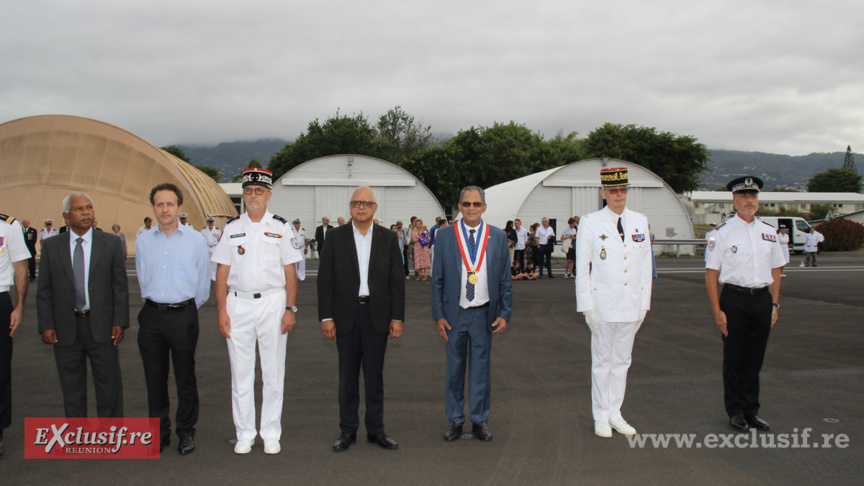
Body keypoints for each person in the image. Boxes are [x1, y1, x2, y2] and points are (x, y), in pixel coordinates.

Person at [212, 168, 302, 455]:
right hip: (237, 303)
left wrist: (290, 308)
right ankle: (245, 432)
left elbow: (290, 271)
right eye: (249, 191)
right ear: (244, 194)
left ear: (269, 195)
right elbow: (222, 271)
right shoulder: (232, 228)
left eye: (259, 191)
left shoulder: (281, 226)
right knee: (240, 371)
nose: (253, 196)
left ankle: (271, 432)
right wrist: (221, 310)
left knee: (273, 370)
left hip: (272, 303)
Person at [318, 187, 404, 452]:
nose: (361, 207)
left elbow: (396, 281)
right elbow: (325, 279)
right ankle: (347, 430)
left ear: (375, 208)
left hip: (376, 315)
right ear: (350, 207)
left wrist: (397, 318)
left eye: (366, 203)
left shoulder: (388, 237)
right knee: (347, 377)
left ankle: (376, 430)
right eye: (356, 203)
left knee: (374, 377)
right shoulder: (335, 237)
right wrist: (327, 317)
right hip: (345, 316)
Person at [37, 192, 128, 418]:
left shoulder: (111, 243)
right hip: (66, 327)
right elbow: (45, 291)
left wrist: (120, 322)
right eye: (79, 209)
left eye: (89, 207)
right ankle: (77, 433)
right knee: (71, 385)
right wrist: (46, 325)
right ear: (66, 216)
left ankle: (110, 433)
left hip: (103, 326)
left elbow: (120, 286)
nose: (86, 212)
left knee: (108, 384)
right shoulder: (51, 246)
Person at [576, 167, 652, 438]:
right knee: (602, 362)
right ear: (603, 193)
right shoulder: (591, 222)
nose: (619, 195)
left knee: (622, 362)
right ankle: (600, 416)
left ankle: (615, 413)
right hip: (603, 305)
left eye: (623, 190)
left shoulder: (639, 221)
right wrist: (587, 307)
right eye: (613, 191)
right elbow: (583, 268)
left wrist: (644, 304)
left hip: (631, 304)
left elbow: (645, 265)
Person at [431, 186, 512, 442]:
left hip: (484, 314)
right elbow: (437, 279)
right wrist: (439, 315)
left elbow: (505, 279)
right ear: (459, 207)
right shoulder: (444, 236)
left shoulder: (497, 236)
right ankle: (455, 420)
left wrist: (505, 312)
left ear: (484, 207)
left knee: (480, 371)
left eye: (476, 204)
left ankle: (479, 420)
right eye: (466, 204)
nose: (471, 209)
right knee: (454, 369)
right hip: (455, 314)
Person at [705, 176, 784, 433]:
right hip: (734, 299)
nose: (750, 201)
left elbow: (775, 270)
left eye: (753, 196)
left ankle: (752, 411)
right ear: (734, 200)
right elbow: (711, 274)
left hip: (762, 299)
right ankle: (736, 410)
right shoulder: (721, 233)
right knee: (735, 358)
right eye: (744, 196)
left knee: (755, 359)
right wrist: (717, 311)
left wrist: (774, 304)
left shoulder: (769, 232)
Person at [135, 183, 210, 455]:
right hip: (152, 316)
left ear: (179, 207)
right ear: (153, 208)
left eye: (169, 204)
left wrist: (187, 308)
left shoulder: (196, 241)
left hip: (183, 315)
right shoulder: (143, 241)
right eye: (159, 204)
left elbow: (202, 284)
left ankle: (186, 432)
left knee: (185, 377)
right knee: (154, 378)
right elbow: (143, 279)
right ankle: (158, 433)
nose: (164, 209)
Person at [1, 213, 30, 457]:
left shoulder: (8, 226)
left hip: (0, 298)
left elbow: (21, 267)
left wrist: (19, 306)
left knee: (0, 368)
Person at [201, 217, 222, 281]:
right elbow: (201, 239)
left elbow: (220, 239)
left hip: (214, 247)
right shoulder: (203, 231)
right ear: (207, 223)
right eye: (209, 222)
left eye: (212, 222)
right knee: (206, 262)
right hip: (206, 247)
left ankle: (213, 276)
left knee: (214, 263)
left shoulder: (216, 230)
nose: (211, 223)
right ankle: (207, 276)